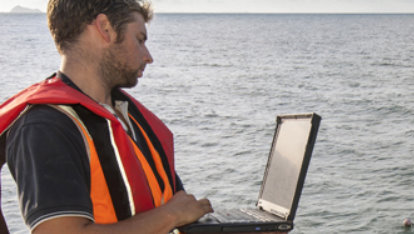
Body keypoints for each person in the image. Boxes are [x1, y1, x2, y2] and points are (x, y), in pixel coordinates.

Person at [0, 0, 287, 233]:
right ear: (105, 29)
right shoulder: (47, 125)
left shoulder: (129, 117)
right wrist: (170, 216)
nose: (148, 56)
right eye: (139, 39)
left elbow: (177, 211)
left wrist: (252, 228)